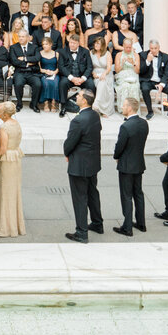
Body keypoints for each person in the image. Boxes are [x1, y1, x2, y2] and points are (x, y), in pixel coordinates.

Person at [62, 89, 103, 243]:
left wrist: (66, 153)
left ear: (84, 100)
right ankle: (97, 223)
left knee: (80, 198)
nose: (76, 97)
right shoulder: (94, 115)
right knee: (92, 193)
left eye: (78, 95)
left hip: (79, 165)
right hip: (92, 162)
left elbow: (70, 142)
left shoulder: (78, 120)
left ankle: (81, 232)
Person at [111, 96, 149, 237]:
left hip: (126, 165)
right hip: (138, 163)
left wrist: (116, 156)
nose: (122, 107)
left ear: (130, 108)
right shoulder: (144, 123)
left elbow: (120, 146)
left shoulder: (126, 126)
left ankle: (127, 227)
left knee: (126, 196)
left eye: (124, 105)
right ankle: (141, 223)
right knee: (138, 193)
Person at [0, 101, 26, 238]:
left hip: (7, 160)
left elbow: (2, 148)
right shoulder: (16, 124)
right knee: (14, 191)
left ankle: (5, 227)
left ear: (5, 115)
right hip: (15, 158)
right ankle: (15, 224)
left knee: (6, 192)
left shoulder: (4, 127)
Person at [57, 35, 94, 116]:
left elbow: (89, 66)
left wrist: (83, 78)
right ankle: (63, 106)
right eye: (70, 42)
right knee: (63, 83)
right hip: (69, 77)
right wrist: (72, 78)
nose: (72, 44)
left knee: (91, 84)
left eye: (74, 43)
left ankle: (88, 107)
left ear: (78, 43)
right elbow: (61, 67)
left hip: (82, 76)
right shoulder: (63, 51)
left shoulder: (85, 51)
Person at [138, 40, 168, 119]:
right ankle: (150, 111)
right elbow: (140, 71)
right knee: (145, 89)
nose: (153, 50)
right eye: (151, 48)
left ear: (158, 48)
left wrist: (162, 84)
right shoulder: (143, 55)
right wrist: (147, 61)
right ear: (149, 48)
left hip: (160, 81)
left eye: (155, 48)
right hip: (148, 80)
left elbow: (167, 72)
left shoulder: (165, 56)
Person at [7, 30, 42, 113]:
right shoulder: (13, 47)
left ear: (27, 37)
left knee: (38, 84)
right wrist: (28, 63)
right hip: (20, 72)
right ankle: (19, 103)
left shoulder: (34, 47)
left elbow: (37, 58)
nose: (21, 38)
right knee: (18, 84)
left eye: (23, 36)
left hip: (32, 72)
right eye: (19, 36)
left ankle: (33, 104)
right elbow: (14, 61)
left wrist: (24, 59)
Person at [89, 35, 116, 116]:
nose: (96, 45)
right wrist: (93, 74)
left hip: (106, 73)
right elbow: (90, 66)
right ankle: (98, 106)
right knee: (100, 81)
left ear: (103, 45)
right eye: (95, 43)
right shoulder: (91, 53)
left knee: (103, 81)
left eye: (98, 44)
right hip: (95, 73)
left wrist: (104, 74)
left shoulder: (107, 54)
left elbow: (109, 68)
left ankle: (100, 106)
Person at [112, 37, 141, 113]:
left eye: (130, 47)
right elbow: (117, 70)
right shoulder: (119, 55)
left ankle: (134, 110)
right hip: (122, 75)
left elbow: (137, 71)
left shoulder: (136, 55)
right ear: (123, 46)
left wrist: (133, 63)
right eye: (126, 47)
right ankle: (124, 109)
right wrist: (122, 63)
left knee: (134, 87)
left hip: (133, 74)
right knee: (125, 86)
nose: (128, 49)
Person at [36, 36, 60, 113]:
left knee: (55, 83)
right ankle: (45, 103)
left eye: (46, 44)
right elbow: (38, 67)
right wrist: (45, 71)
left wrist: (54, 72)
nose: (44, 46)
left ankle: (53, 102)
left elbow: (59, 67)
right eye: (43, 44)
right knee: (45, 83)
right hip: (43, 73)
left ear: (51, 44)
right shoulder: (39, 53)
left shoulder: (56, 54)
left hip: (54, 73)